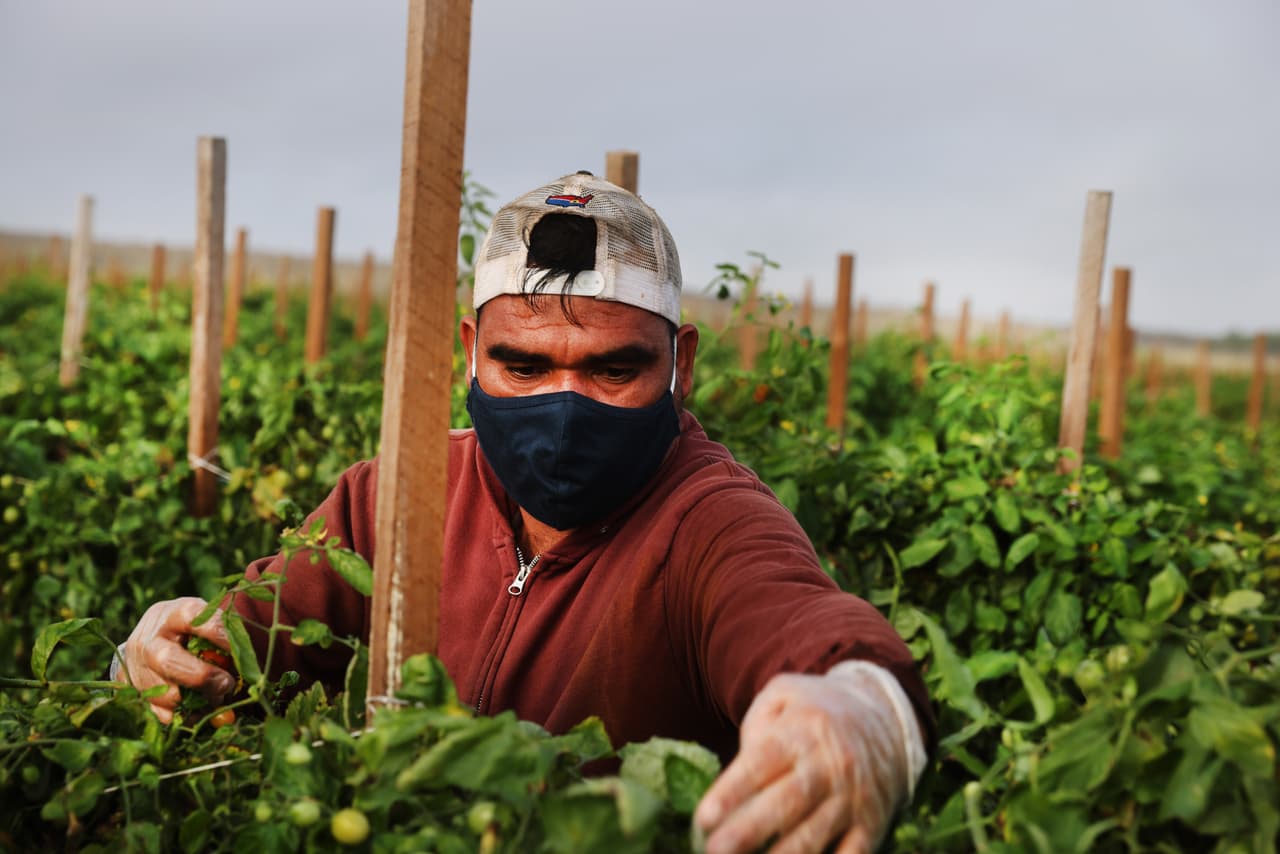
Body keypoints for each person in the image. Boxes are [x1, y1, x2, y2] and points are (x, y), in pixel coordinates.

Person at [115, 171, 934, 853]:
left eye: (614, 370)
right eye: (524, 365)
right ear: (471, 351)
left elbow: (796, 616)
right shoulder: (395, 496)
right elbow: (244, 646)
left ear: (680, 364)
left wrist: (861, 709)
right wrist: (167, 653)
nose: (565, 407)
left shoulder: (707, 521)